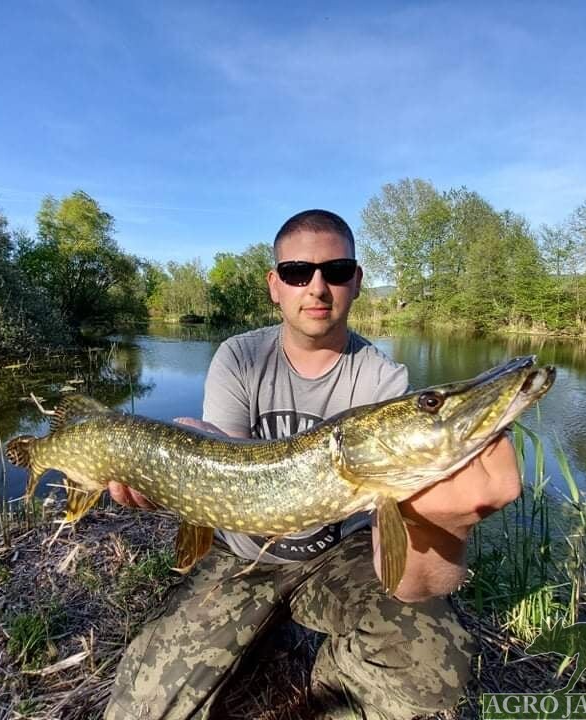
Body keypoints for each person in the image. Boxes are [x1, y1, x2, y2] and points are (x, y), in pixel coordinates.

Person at [103, 210, 522, 720]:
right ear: (275, 286)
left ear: (357, 281)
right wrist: (178, 469)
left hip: (338, 558)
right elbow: (224, 454)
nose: (318, 287)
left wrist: (444, 526)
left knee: (435, 667)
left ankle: (328, 687)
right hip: (242, 557)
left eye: (336, 271)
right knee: (142, 708)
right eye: (298, 272)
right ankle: (262, 629)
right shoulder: (239, 357)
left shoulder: (382, 378)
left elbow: (410, 584)